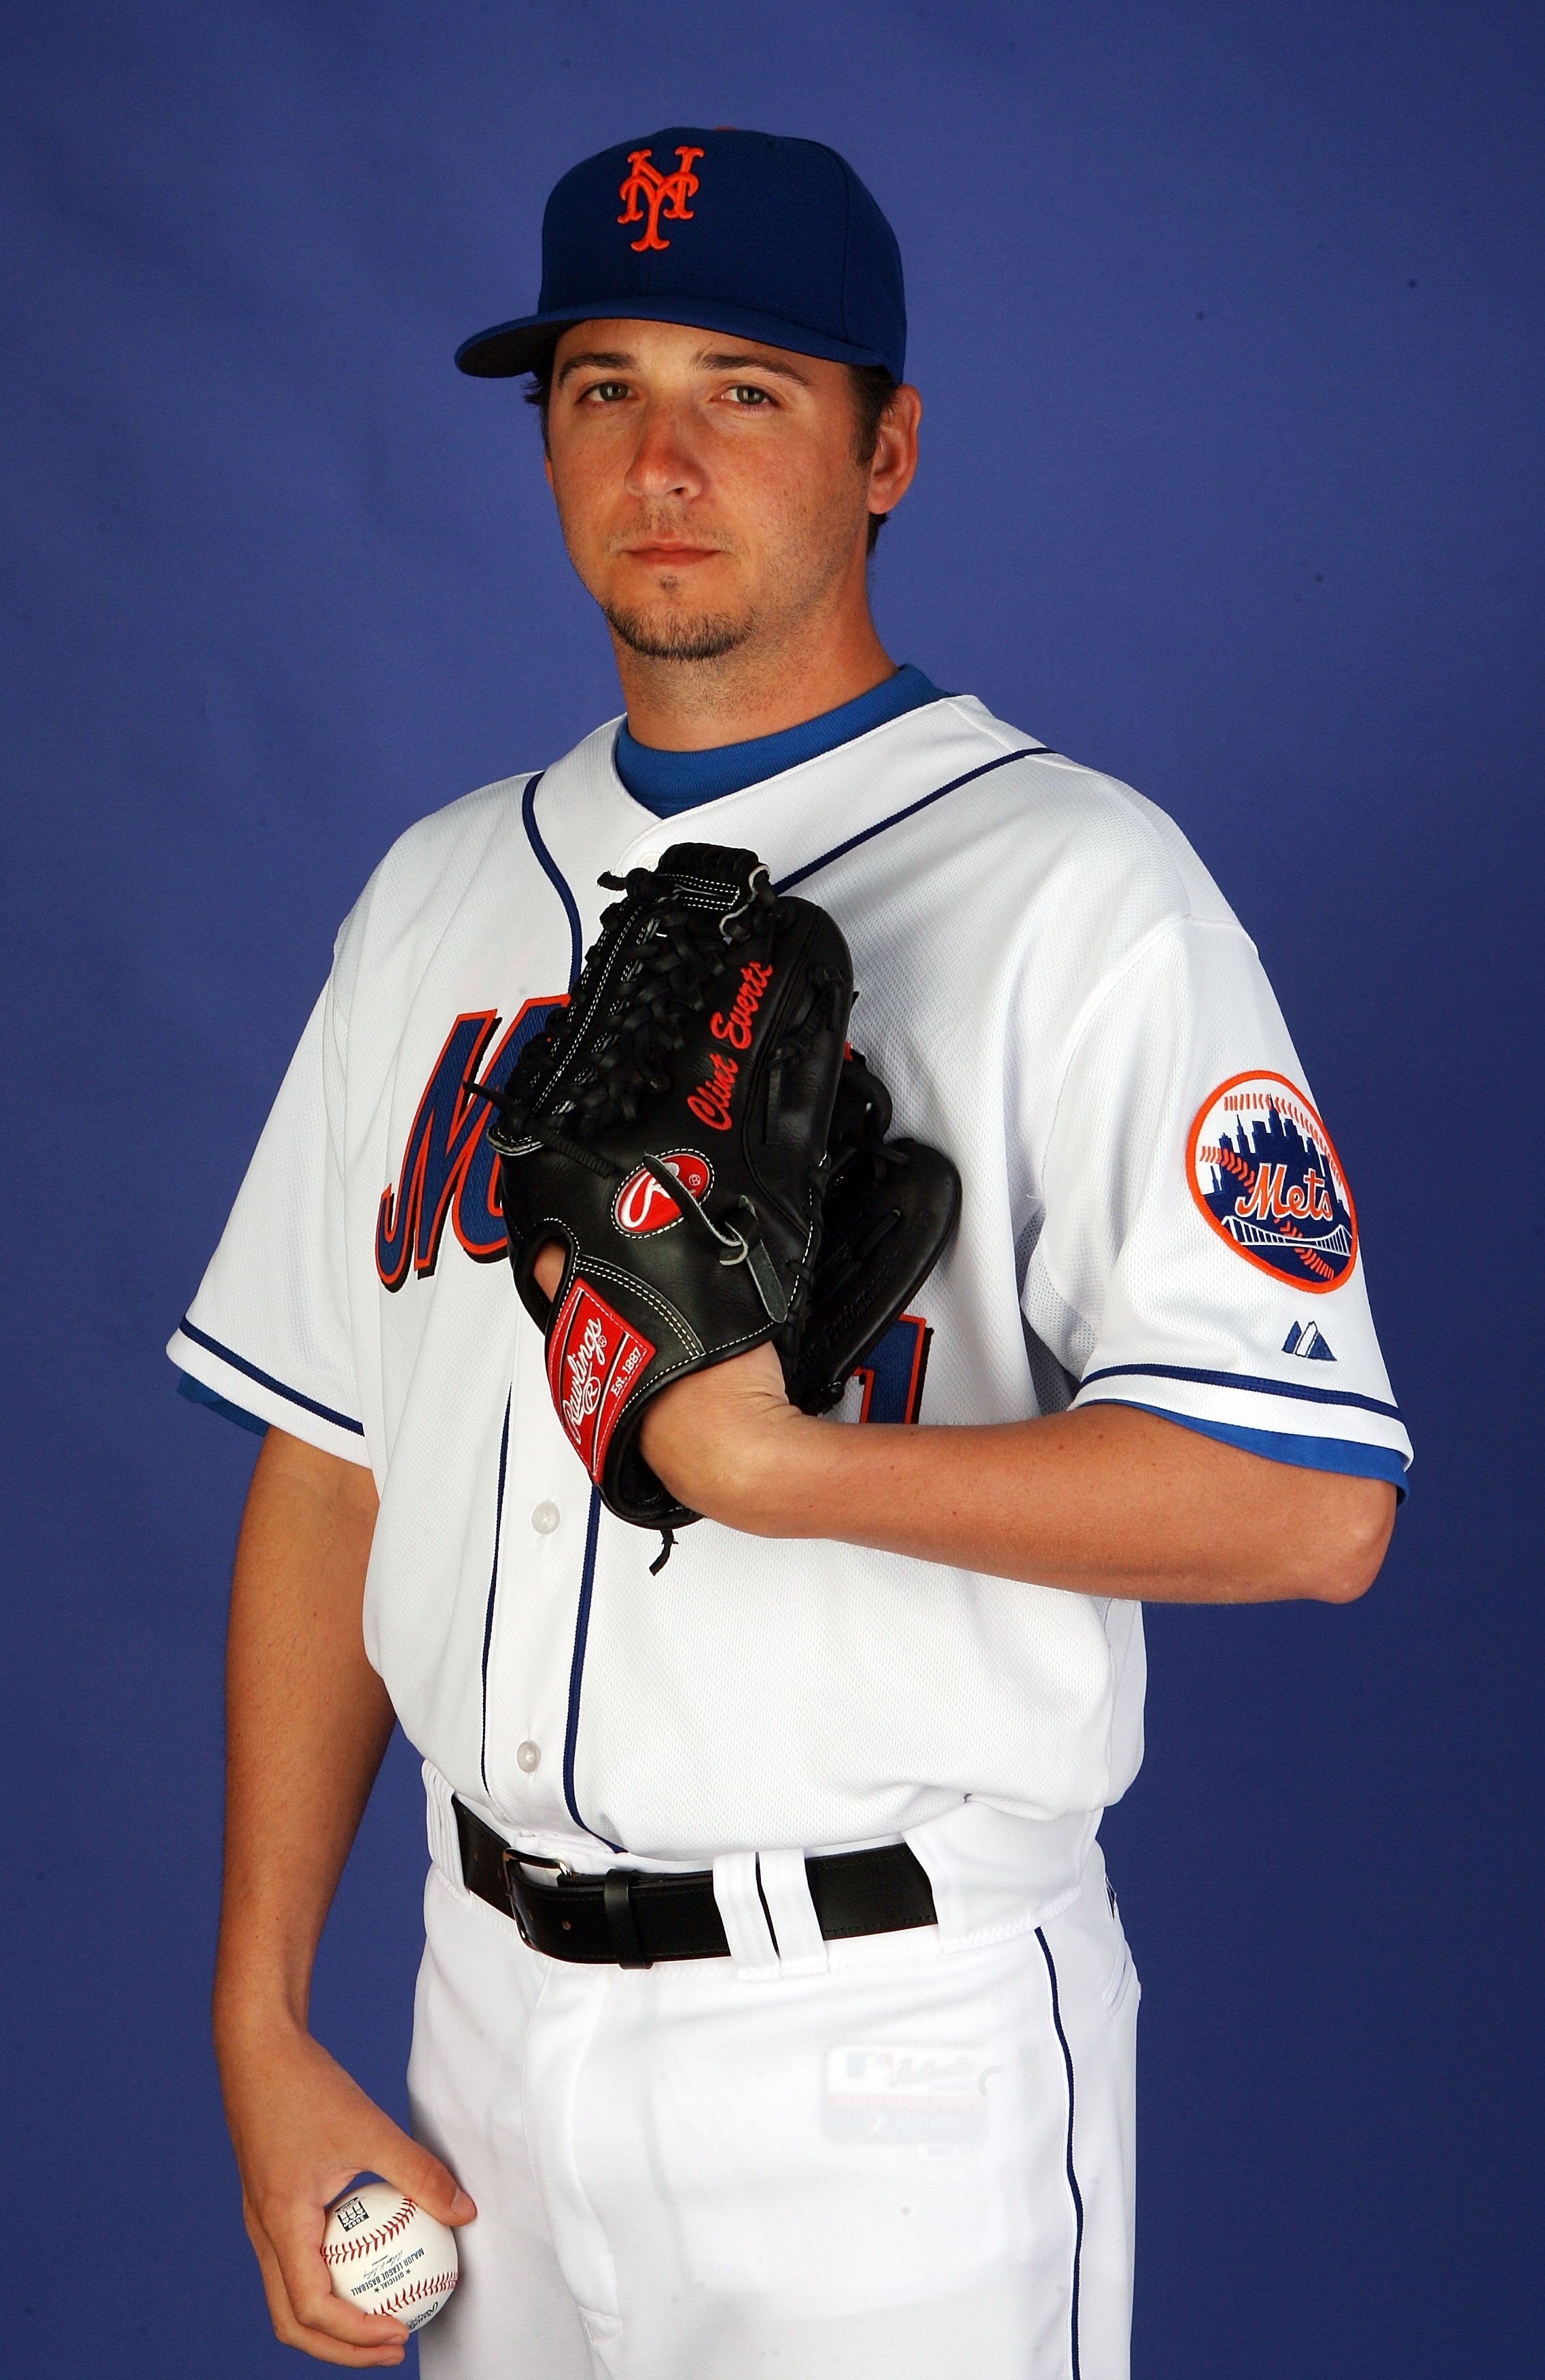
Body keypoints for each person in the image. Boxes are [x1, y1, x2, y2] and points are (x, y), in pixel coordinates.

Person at [171, 127, 1410, 2378]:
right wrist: (261, 2013)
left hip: (888, 2048)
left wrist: (776, 1466)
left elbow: (1311, 1508)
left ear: (888, 445)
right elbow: (333, 1459)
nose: (661, 457)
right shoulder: (436, 895)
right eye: (599, 384)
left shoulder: (1080, 889)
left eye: (746, 387)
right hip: (483, 2032)